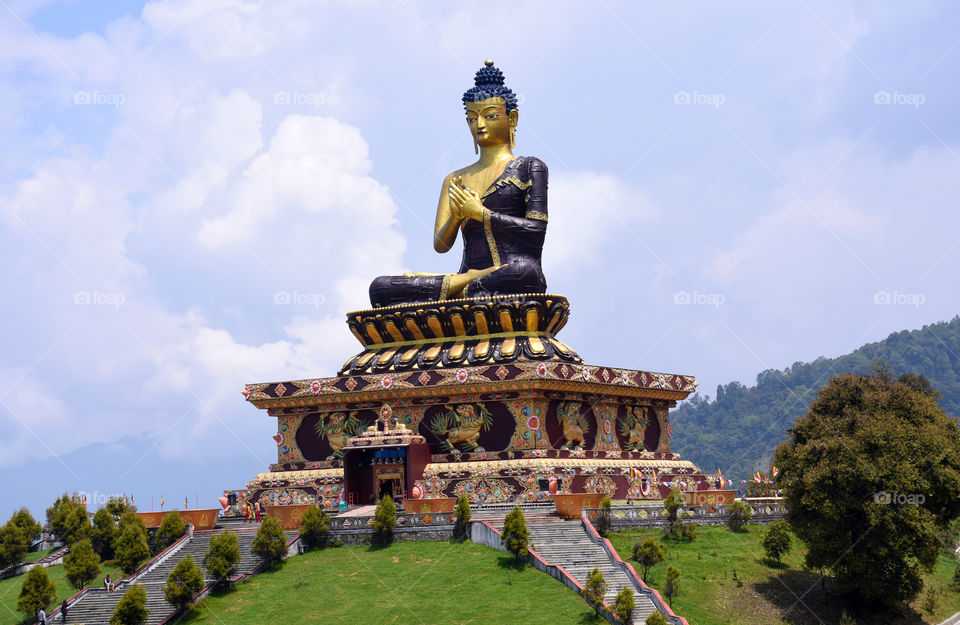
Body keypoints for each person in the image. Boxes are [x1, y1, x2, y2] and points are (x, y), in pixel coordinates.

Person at [368, 60, 548, 308]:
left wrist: (481, 214)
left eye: (491, 116)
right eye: (472, 118)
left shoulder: (530, 167)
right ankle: (466, 284)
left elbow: (536, 231)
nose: (480, 125)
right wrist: (456, 216)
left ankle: (459, 289)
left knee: (523, 275)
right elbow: (441, 246)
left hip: (511, 274)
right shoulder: (455, 179)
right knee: (380, 288)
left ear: (512, 118)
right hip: (469, 278)